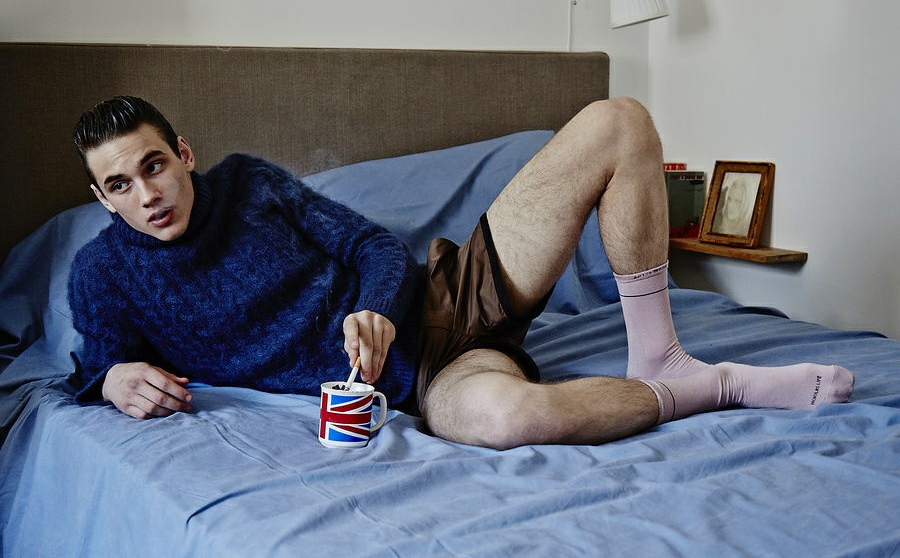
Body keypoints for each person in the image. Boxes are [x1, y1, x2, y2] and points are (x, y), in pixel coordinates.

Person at [69, 96, 854, 450]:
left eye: (154, 165)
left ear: (185, 155)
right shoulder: (101, 275)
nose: (147, 194)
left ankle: (661, 353)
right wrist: (112, 380)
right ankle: (713, 387)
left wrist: (376, 310)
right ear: (102, 198)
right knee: (511, 420)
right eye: (120, 185)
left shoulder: (249, 183)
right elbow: (98, 363)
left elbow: (375, 247)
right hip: (430, 382)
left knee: (617, 121)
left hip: (451, 296)